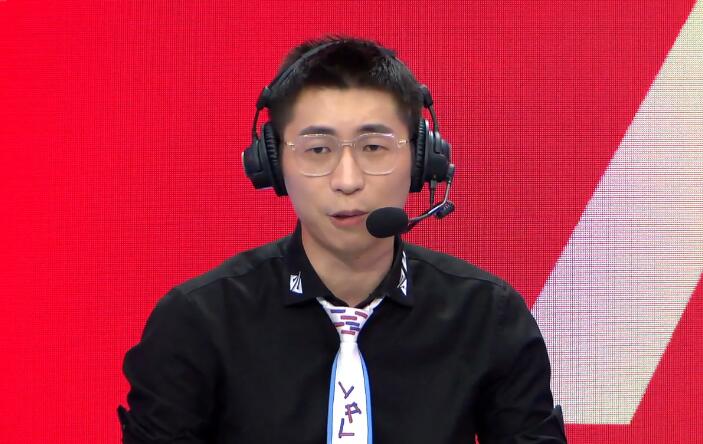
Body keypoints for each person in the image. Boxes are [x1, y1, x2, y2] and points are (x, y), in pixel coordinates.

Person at [117, 35, 567, 443]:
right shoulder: (199, 322)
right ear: (272, 165)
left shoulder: (487, 316)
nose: (347, 181)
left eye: (374, 148)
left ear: (423, 160)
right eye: (318, 150)